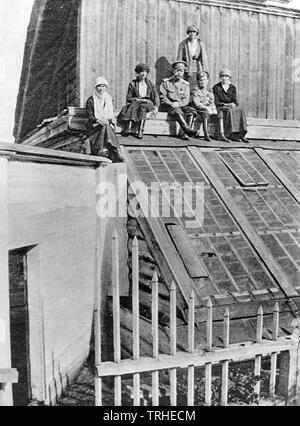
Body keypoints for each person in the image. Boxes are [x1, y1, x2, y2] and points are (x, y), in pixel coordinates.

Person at [85, 77, 124, 162]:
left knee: (105, 125)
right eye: (99, 86)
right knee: (105, 126)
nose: (101, 89)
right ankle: (116, 149)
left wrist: (106, 121)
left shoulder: (108, 99)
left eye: (103, 86)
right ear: (96, 87)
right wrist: (98, 120)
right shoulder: (91, 100)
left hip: (106, 125)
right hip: (94, 126)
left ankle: (101, 150)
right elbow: (90, 117)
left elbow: (111, 117)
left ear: (106, 88)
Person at [159, 61, 200, 140]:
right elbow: (162, 96)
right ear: (173, 71)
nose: (179, 73)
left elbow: (186, 99)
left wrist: (179, 104)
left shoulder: (185, 85)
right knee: (176, 110)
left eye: (181, 71)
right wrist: (171, 103)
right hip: (168, 106)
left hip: (180, 105)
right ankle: (188, 130)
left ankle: (184, 133)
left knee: (191, 110)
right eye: (177, 70)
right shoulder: (166, 83)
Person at [118, 63, 159, 139]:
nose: (143, 74)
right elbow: (129, 98)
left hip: (148, 103)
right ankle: (129, 128)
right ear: (138, 73)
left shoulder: (150, 84)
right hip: (137, 102)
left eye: (145, 72)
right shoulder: (133, 84)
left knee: (143, 106)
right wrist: (138, 100)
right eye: (141, 72)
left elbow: (156, 96)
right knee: (134, 105)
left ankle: (140, 130)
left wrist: (156, 107)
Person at [213, 68, 248, 143]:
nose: (224, 78)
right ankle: (231, 134)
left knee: (240, 110)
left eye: (226, 76)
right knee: (229, 111)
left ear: (229, 77)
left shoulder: (232, 87)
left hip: (230, 106)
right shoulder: (216, 87)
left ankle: (240, 134)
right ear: (220, 77)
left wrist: (234, 104)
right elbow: (216, 101)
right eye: (222, 76)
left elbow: (234, 100)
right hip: (221, 107)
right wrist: (226, 104)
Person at [177, 25, 209, 91]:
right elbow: (179, 58)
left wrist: (204, 70)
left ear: (196, 33)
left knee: (197, 86)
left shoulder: (200, 43)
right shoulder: (183, 44)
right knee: (186, 86)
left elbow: (204, 58)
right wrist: (180, 70)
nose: (192, 34)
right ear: (188, 33)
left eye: (194, 32)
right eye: (190, 32)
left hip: (197, 68)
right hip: (186, 68)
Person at [190, 71, 217, 142]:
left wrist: (212, 108)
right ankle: (206, 134)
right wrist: (206, 108)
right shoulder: (195, 91)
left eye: (204, 80)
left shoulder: (210, 93)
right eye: (201, 80)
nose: (203, 82)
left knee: (218, 113)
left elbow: (212, 103)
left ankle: (219, 134)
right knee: (206, 113)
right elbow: (196, 103)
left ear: (207, 81)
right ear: (198, 81)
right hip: (198, 110)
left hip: (207, 110)